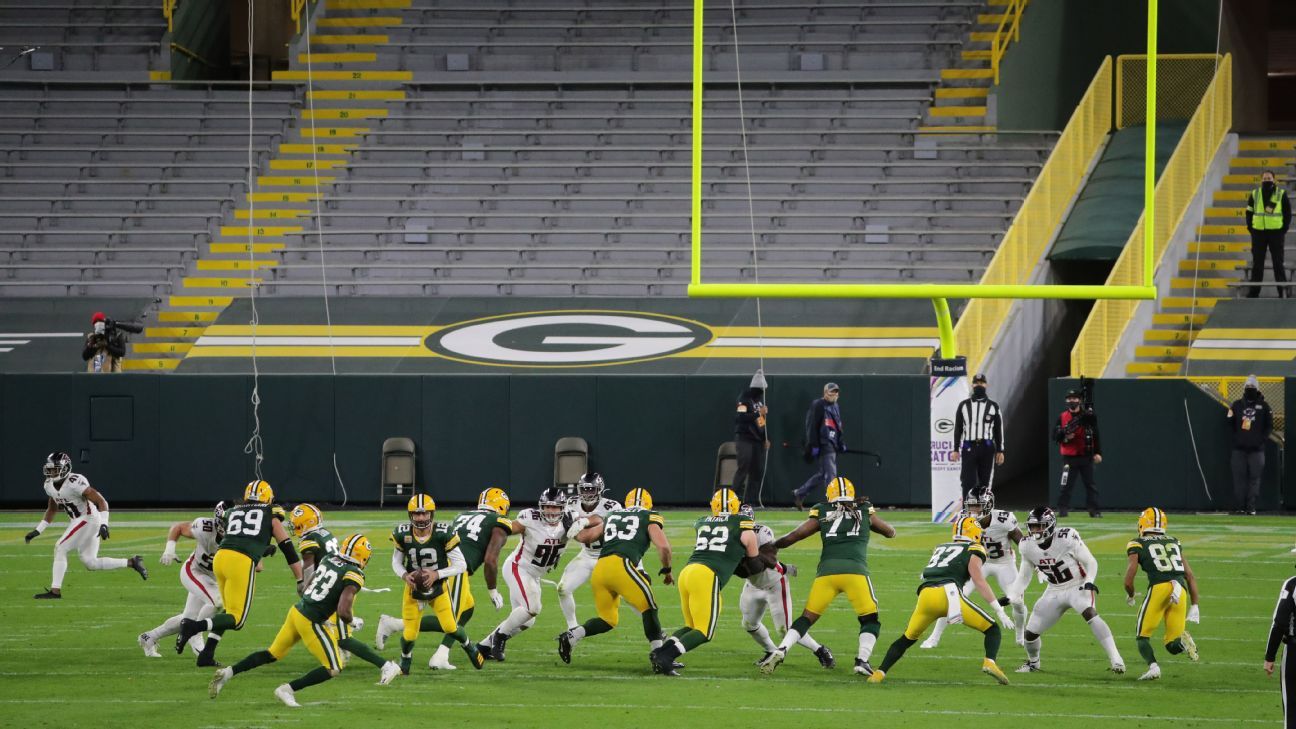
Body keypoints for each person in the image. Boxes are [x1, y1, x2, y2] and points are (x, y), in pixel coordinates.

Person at [208, 535, 402, 707]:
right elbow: (343, 610)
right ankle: (287, 690)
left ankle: (228, 673)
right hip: (310, 620)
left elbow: (308, 585)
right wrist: (352, 622)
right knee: (333, 668)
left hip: (297, 611)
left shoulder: (328, 558)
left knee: (272, 653)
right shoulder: (355, 573)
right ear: (364, 557)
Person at [759, 477, 895, 676]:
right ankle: (862, 660)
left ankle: (782, 649)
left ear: (829, 495)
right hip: (855, 573)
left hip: (826, 575)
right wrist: (877, 525)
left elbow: (795, 535)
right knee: (870, 620)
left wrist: (772, 546)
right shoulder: (864, 509)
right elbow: (889, 531)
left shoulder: (822, 510)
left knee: (806, 618)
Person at [866, 515, 1015, 685]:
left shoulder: (941, 547)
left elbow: (927, 572)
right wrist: (999, 609)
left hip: (925, 596)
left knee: (906, 639)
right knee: (992, 629)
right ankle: (990, 662)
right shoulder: (975, 548)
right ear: (974, 532)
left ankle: (879, 673)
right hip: (948, 594)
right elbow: (979, 581)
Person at [375, 488, 514, 670]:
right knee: (451, 620)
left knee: (467, 609)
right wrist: (492, 590)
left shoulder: (463, 515)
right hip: (453, 569)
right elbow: (490, 559)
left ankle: (394, 624)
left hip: (447, 562)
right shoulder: (499, 521)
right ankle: (440, 655)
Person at [176, 480, 304, 667]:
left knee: (228, 610)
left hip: (219, 559)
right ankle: (193, 626)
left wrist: (260, 548)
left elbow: (242, 537)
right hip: (239, 562)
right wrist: (300, 578)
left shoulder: (232, 512)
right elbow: (287, 548)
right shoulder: (271, 513)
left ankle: (206, 654)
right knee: (237, 619)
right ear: (268, 497)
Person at [649, 487, 761, 676]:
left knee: (691, 626)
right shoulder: (743, 524)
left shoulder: (701, 522)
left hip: (688, 572)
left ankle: (659, 653)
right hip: (706, 576)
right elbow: (755, 563)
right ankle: (665, 657)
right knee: (704, 632)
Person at [557, 488, 673, 664]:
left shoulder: (613, 515)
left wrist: (572, 528)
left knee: (607, 620)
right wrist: (667, 570)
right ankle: (660, 656)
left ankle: (571, 636)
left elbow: (587, 537)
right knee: (649, 607)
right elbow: (663, 547)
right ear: (648, 504)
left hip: (600, 569)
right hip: (621, 566)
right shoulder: (650, 516)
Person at [478, 487, 595, 662]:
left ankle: (483, 646)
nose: (551, 511)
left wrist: (583, 522)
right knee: (533, 608)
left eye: (555, 507)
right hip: (519, 567)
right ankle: (500, 637)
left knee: (526, 621)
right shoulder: (530, 518)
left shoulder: (569, 519)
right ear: (541, 506)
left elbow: (593, 528)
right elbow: (508, 528)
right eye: (547, 507)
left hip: (534, 574)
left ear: (563, 508)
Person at [1007, 507, 1125, 674]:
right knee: (1030, 633)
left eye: (1039, 526)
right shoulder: (1027, 545)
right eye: (1033, 527)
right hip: (1054, 589)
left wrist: (1090, 581)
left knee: (1089, 612)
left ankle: (1116, 659)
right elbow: (1024, 576)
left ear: (1050, 525)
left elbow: (1091, 561)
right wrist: (1012, 595)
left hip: (1078, 584)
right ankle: (1033, 663)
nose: (1035, 531)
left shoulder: (1066, 537)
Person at [25, 451, 148, 599]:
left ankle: (55, 591)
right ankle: (132, 562)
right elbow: (52, 508)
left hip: (88, 518)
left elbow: (101, 501)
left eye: (55, 468)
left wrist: (104, 524)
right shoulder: (48, 485)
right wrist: (38, 530)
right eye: (50, 469)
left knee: (60, 547)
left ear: (65, 468)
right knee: (91, 563)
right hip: (79, 521)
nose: (52, 472)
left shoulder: (75, 481)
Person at [735, 503, 834, 669]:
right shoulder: (730, 533)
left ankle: (820, 650)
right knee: (749, 624)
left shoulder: (762, 532)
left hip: (774, 584)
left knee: (785, 629)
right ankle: (770, 650)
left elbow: (764, 560)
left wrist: (781, 567)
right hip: (752, 585)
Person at [922, 492, 1026, 649]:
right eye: (971, 506)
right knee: (953, 595)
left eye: (977, 505)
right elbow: (958, 545)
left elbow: (1022, 543)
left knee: (1018, 602)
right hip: (978, 562)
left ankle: (1020, 634)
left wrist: (1036, 564)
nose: (973, 510)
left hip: (1004, 563)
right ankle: (934, 637)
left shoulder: (1004, 519)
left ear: (988, 505)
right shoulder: (964, 520)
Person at [139, 502, 226, 657]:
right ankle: (195, 634)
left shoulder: (238, 532)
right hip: (195, 571)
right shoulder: (205, 527)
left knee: (188, 618)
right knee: (217, 602)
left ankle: (149, 637)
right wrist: (169, 550)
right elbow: (178, 527)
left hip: (212, 577)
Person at [1123, 507, 1201, 681]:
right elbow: (1190, 575)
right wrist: (1195, 604)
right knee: (1172, 645)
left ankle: (1153, 667)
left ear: (1143, 523)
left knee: (1142, 636)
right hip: (1180, 590)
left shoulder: (1137, 543)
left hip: (1160, 588)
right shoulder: (1174, 541)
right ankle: (1183, 642)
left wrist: (1131, 594)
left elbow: (1128, 580)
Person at [557, 473, 622, 631]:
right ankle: (572, 628)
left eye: (591, 489)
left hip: (609, 557)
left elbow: (600, 519)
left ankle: (656, 633)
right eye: (584, 490)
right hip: (586, 556)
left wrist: (583, 520)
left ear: (600, 490)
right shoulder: (571, 503)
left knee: (631, 596)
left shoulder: (612, 506)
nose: (587, 493)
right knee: (563, 589)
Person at [951, 373, 1004, 501]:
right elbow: (958, 428)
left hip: (987, 446)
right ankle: (966, 512)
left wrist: (1000, 450)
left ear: (986, 385)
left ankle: (984, 512)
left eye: (981, 383)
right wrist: (956, 449)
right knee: (967, 481)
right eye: (976, 383)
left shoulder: (993, 406)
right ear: (972, 384)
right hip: (969, 446)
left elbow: (998, 429)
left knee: (985, 482)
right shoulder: (963, 405)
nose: (979, 385)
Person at [794, 382, 845, 510]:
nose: (834, 394)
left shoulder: (835, 406)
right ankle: (833, 503)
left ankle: (800, 493)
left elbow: (838, 426)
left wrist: (841, 442)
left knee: (823, 474)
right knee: (831, 474)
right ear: (825, 392)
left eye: (836, 391)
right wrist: (814, 445)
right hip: (824, 444)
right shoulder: (818, 404)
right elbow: (811, 425)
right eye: (831, 391)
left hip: (832, 444)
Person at [1229, 375, 1273, 515]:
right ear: (1244, 388)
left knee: (1255, 479)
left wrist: (1261, 440)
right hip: (1239, 449)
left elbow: (1269, 426)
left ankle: (1251, 507)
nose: (1250, 389)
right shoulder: (1236, 405)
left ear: (1257, 389)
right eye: (1248, 387)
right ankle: (1240, 507)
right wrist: (1237, 438)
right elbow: (1230, 423)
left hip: (1257, 450)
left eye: (1252, 387)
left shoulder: (1265, 407)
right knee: (1239, 479)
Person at [1054, 389, 1102, 518]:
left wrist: (1097, 452)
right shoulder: (1062, 416)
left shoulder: (1087, 416)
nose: (1072, 401)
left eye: (1075, 398)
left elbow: (1095, 434)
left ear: (1080, 400)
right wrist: (1065, 437)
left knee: (1090, 485)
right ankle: (1062, 509)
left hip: (1086, 455)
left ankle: (1094, 510)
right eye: (1069, 399)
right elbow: (1055, 436)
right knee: (1066, 485)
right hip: (1069, 457)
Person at [1244, 170, 1291, 298]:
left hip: (1276, 233)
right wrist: (1251, 228)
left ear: (1274, 180)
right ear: (1261, 180)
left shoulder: (1281, 194)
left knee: (1278, 263)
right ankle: (1254, 293)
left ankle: (1282, 291)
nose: (1266, 180)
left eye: (1269, 178)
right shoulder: (1255, 194)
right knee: (1257, 263)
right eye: (1264, 178)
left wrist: (1283, 229)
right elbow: (1249, 212)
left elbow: (1287, 213)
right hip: (1258, 233)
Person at [1263, 570, 1296, 727]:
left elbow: (1280, 623)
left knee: (1292, 714)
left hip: (1294, 652)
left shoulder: (1292, 585)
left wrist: (1270, 656)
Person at [733, 369, 771, 503]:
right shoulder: (744, 399)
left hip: (757, 441)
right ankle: (733, 500)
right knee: (743, 469)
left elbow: (761, 423)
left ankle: (750, 501)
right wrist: (758, 413)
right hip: (744, 439)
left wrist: (765, 438)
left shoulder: (759, 402)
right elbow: (740, 417)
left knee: (757, 471)